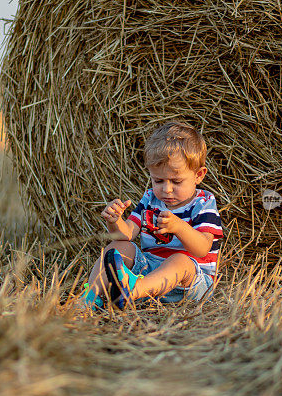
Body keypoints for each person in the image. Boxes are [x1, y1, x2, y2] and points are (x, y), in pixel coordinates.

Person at [80, 120, 223, 310]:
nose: (167, 189)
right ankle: (90, 297)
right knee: (119, 246)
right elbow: (128, 234)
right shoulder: (150, 199)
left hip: (189, 284)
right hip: (149, 274)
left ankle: (132, 292)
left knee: (180, 260)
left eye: (176, 181)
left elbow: (202, 249)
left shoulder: (203, 204)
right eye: (158, 180)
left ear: (199, 175)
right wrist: (115, 221)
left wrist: (179, 227)